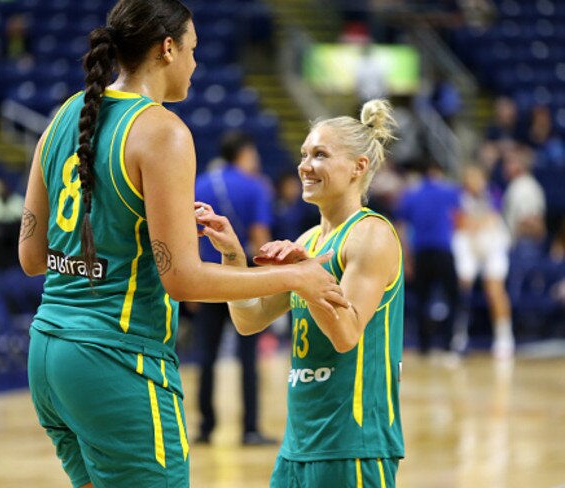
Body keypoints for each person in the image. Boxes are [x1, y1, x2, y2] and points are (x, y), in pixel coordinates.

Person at [18, 1, 346, 487]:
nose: (196, 63)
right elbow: (182, 279)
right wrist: (299, 275)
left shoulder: (65, 115)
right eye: (193, 49)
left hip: (49, 355)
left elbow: (30, 257)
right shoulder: (161, 131)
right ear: (167, 49)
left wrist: (109, 253)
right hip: (117, 361)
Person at [195, 99, 404, 486]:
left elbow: (346, 334)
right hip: (299, 445)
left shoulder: (371, 234)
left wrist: (306, 277)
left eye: (320, 155)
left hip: (352, 444)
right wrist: (232, 255)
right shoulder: (309, 240)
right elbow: (248, 320)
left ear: (359, 167)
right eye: (304, 154)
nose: (304, 166)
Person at [192, 131, 276, 446]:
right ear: (243, 153)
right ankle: (250, 429)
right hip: (240, 280)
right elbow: (260, 240)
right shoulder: (255, 187)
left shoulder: (201, 183)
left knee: (206, 355)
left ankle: (205, 428)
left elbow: (190, 234)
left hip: (206, 280)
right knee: (248, 356)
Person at [396, 160, 461, 356]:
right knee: (453, 298)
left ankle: (423, 345)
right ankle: (448, 343)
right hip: (443, 250)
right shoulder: (449, 192)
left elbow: (401, 227)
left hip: (421, 253)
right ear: (437, 172)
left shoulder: (411, 195)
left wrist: (406, 257)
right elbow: (460, 216)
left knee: (421, 299)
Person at [451, 165, 514, 359]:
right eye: (469, 178)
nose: (473, 182)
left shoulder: (493, 192)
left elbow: (491, 218)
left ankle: (504, 337)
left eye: (476, 177)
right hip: (468, 243)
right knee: (463, 286)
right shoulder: (457, 196)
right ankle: (458, 335)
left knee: (494, 288)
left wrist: (475, 225)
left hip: (491, 242)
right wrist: (472, 226)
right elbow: (459, 222)